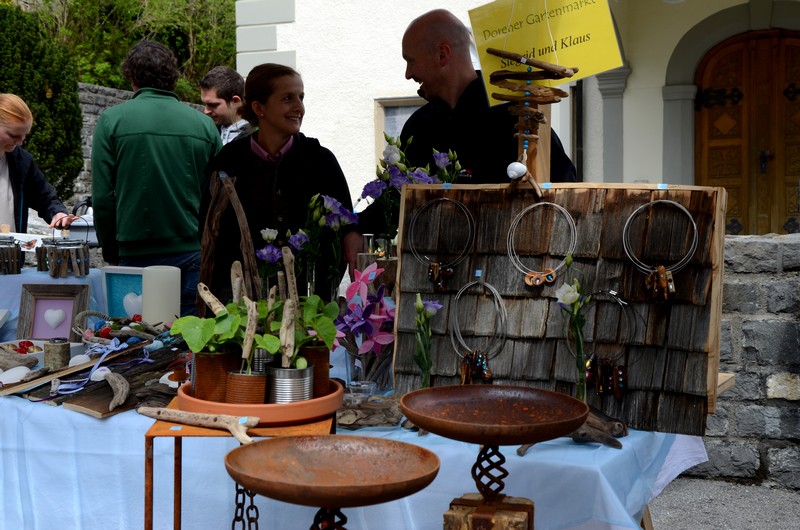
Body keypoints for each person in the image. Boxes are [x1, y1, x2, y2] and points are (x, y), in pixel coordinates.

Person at [203, 63, 358, 303]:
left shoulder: (320, 161)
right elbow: (212, 239)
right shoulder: (227, 164)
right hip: (244, 307)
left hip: (312, 306)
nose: (299, 107)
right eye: (287, 98)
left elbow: (347, 228)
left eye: (301, 97)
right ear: (259, 108)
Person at [92, 41, 222, 316]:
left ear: (132, 77)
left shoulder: (112, 121)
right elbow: (221, 195)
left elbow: (103, 198)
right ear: (172, 77)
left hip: (134, 251)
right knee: (191, 335)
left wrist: (110, 251)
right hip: (192, 250)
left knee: (135, 336)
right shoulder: (205, 125)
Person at [400, 8, 577, 183]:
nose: (408, 74)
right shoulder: (417, 127)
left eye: (410, 61)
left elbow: (563, 185)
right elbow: (397, 195)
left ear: (442, 55)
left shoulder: (516, 118)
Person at [0, 93, 78, 233]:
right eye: (13, 135)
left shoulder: (22, 161)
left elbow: (46, 197)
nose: (20, 142)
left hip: (11, 247)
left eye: (24, 135)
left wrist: (58, 213)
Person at [199, 66, 254, 145]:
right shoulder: (210, 130)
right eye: (205, 104)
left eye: (213, 105)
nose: (206, 111)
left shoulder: (252, 141)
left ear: (235, 101)